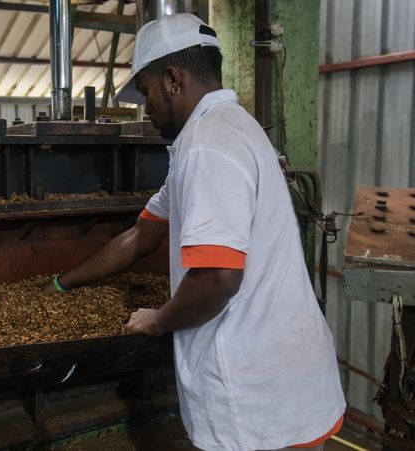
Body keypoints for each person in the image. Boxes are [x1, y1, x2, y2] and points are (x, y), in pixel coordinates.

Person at [46, 13, 346, 451]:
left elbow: (217, 280)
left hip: (257, 404)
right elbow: (140, 237)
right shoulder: (218, 133)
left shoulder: (209, 146)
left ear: (172, 79)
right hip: (281, 382)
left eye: (146, 92)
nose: (145, 108)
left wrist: (158, 319)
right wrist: (61, 283)